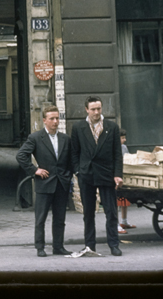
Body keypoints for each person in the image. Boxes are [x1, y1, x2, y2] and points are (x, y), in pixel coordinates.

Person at [16, 106, 74, 257]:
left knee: (60, 218)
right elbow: (21, 155)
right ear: (44, 120)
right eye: (52, 119)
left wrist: (68, 175)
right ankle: (40, 247)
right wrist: (34, 170)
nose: (55, 122)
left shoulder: (65, 139)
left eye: (57, 118)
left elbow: (71, 160)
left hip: (61, 183)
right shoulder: (35, 137)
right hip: (44, 183)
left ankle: (58, 247)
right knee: (40, 218)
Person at [71, 96, 124, 256]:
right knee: (88, 213)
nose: (96, 112)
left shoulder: (112, 127)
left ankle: (114, 245)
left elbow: (117, 153)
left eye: (98, 108)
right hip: (86, 174)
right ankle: (90, 245)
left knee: (111, 212)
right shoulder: (78, 127)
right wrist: (78, 171)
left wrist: (117, 174)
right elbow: (74, 152)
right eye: (93, 109)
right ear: (86, 109)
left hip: (106, 174)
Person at [117, 129, 135, 234]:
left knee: (124, 200)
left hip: (124, 175)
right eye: (122, 138)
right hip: (116, 176)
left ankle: (124, 221)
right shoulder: (114, 148)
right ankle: (116, 224)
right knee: (116, 201)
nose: (125, 140)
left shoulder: (123, 147)